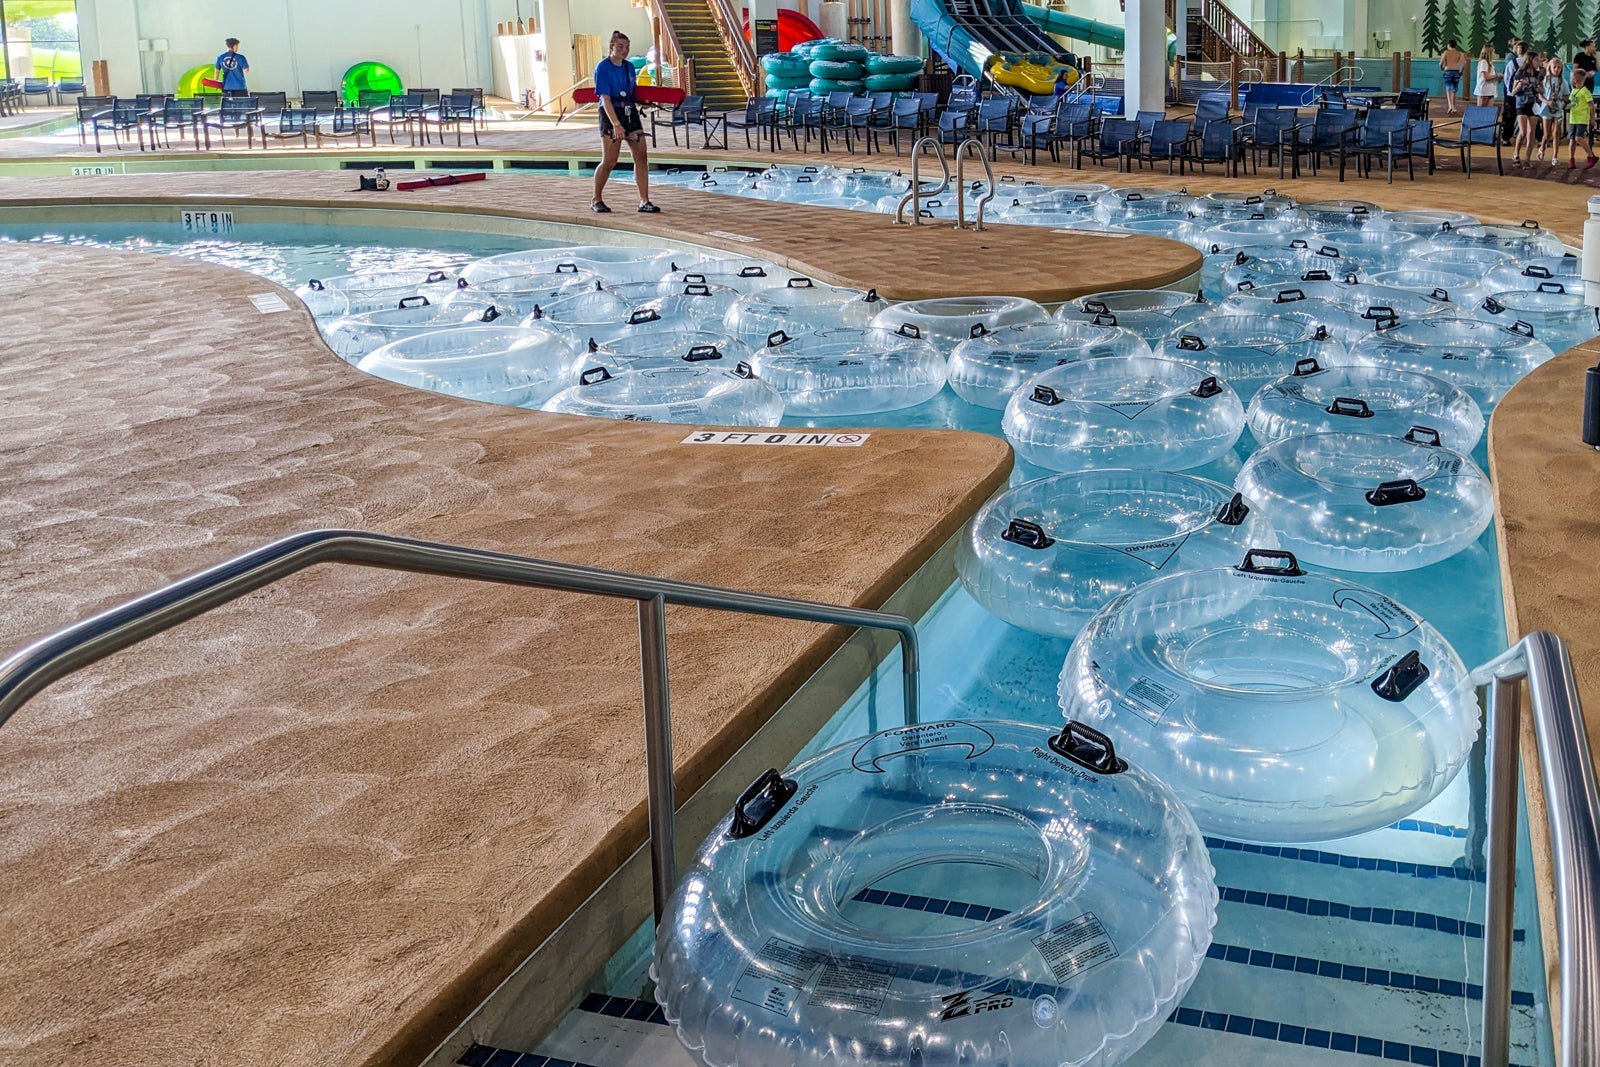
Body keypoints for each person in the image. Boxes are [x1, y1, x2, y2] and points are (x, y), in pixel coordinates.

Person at [591, 30, 658, 214]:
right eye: (620, 47)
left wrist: (645, 102)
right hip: (611, 112)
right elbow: (604, 99)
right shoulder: (603, 67)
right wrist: (616, 124)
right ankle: (596, 198)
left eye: (627, 47)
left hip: (629, 112)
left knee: (641, 156)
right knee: (610, 161)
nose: (624, 50)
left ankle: (644, 201)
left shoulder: (629, 67)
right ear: (611, 47)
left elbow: (630, 92)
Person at [1568, 67, 1595, 168]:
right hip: (1573, 119)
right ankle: (1571, 159)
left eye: (1571, 77)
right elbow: (1572, 103)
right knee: (1572, 140)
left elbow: (1591, 105)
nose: (1570, 79)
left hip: (1581, 119)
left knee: (1578, 138)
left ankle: (1591, 155)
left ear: (1576, 79)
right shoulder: (1574, 91)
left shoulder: (1585, 91)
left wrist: (1592, 118)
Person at [1440, 39, 1468, 114]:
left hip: (1448, 71)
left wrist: (1442, 68)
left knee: (1448, 89)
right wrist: (1461, 71)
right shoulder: (1459, 53)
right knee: (1454, 90)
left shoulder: (1446, 52)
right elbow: (1464, 63)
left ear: (1448, 45)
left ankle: (1451, 106)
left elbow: (1441, 63)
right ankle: (1453, 107)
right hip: (1456, 71)